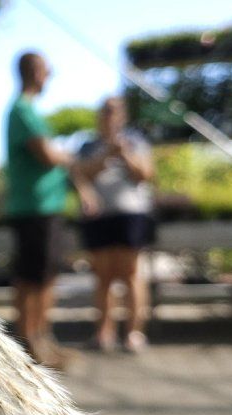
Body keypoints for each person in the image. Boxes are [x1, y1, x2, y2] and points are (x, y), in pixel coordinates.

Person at [5, 51, 90, 369]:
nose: (49, 76)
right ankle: (30, 343)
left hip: (46, 208)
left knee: (45, 275)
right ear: (34, 72)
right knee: (33, 278)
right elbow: (47, 155)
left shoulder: (29, 111)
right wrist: (68, 156)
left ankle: (42, 338)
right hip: (34, 208)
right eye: (46, 70)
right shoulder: (22, 110)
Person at [73, 97, 156, 353]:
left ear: (123, 115)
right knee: (103, 275)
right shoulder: (88, 146)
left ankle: (133, 333)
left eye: (114, 111)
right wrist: (106, 154)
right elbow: (80, 174)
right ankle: (104, 333)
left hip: (131, 214)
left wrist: (125, 153)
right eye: (105, 111)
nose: (109, 116)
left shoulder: (136, 141)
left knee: (131, 273)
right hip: (99, 217)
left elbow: (145, 174)